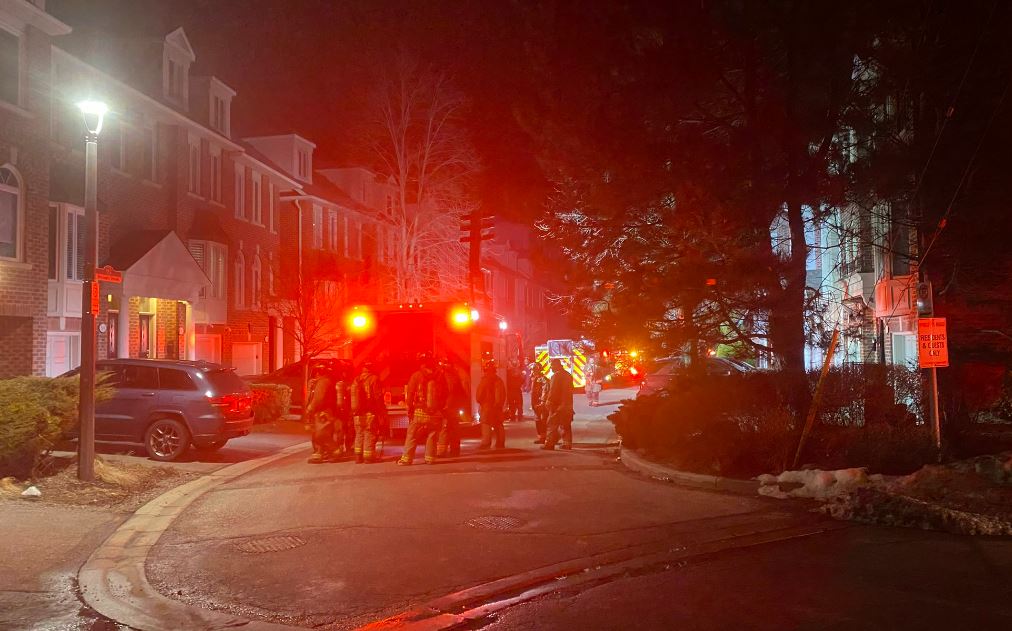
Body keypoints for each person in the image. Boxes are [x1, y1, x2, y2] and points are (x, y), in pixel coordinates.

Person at [399, 354, 447, 465]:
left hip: (420, 412)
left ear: (421, 363)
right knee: (432, 435)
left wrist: (409, 409)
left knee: (412, 435)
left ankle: (406, 459)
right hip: (435, 413)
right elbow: (445, 393)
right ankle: (430, 459)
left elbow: (410, 394)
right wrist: (440, 408)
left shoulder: (416, 376)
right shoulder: (440, 375)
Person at [305, 361, 342, 464]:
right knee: (318, 433)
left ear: (318, 372)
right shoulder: (323, 381)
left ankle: (335, 450)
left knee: (321, 434)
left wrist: (310, 408)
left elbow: (318, 398)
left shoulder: (323, 382)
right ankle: (319, 453)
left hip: (323, 412)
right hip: (322, 412)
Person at [351, 362, 383, 464]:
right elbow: (377, 397)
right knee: (369, 434)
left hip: (357, 413)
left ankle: (358, 457)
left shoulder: (356, 380)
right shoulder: (374, 379)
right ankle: (368, 457)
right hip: (370, 412)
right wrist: (381, 411)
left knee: (359, 434)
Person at [437, 357, 467, 458]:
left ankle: (441, 451)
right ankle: (455, 449)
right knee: (454, 428)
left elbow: (441, 393)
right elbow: (461, 392)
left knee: (445, 428)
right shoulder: (455, 375)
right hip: (454, 407)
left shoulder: (442, 376)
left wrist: (440, 405)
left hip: (446, 407)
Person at [543, 358, 574, 451]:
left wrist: (549, 401)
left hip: (557, 405)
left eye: (552, 366)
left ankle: (549, 444)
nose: (551, 368)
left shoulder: (556, 376)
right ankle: (567, 444)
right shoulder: (568, 375)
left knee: (552, 424)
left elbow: (553, 391)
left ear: (557, 365)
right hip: (568, 404)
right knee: (566, 424)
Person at [476, 359, 507, 449]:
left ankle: (486, 442)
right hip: (497, 406)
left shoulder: (484, 381)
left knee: (486, 424)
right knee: (498, 424)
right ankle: (500, 442)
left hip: (487, 406)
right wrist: (500, 404)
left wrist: (480, 402)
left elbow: (479, 395)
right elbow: (503, 394)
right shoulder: (499, 380)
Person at [530, 366, 550, 444]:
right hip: (536, 404)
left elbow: (545, 391)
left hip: (541, 404)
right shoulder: (535, 379)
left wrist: (542, 402)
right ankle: (541, 437)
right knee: (538, 421)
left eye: (534, 370)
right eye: (532, 370)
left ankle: (544, 437)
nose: (532, 371)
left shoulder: (543, 380)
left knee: (543, 421)